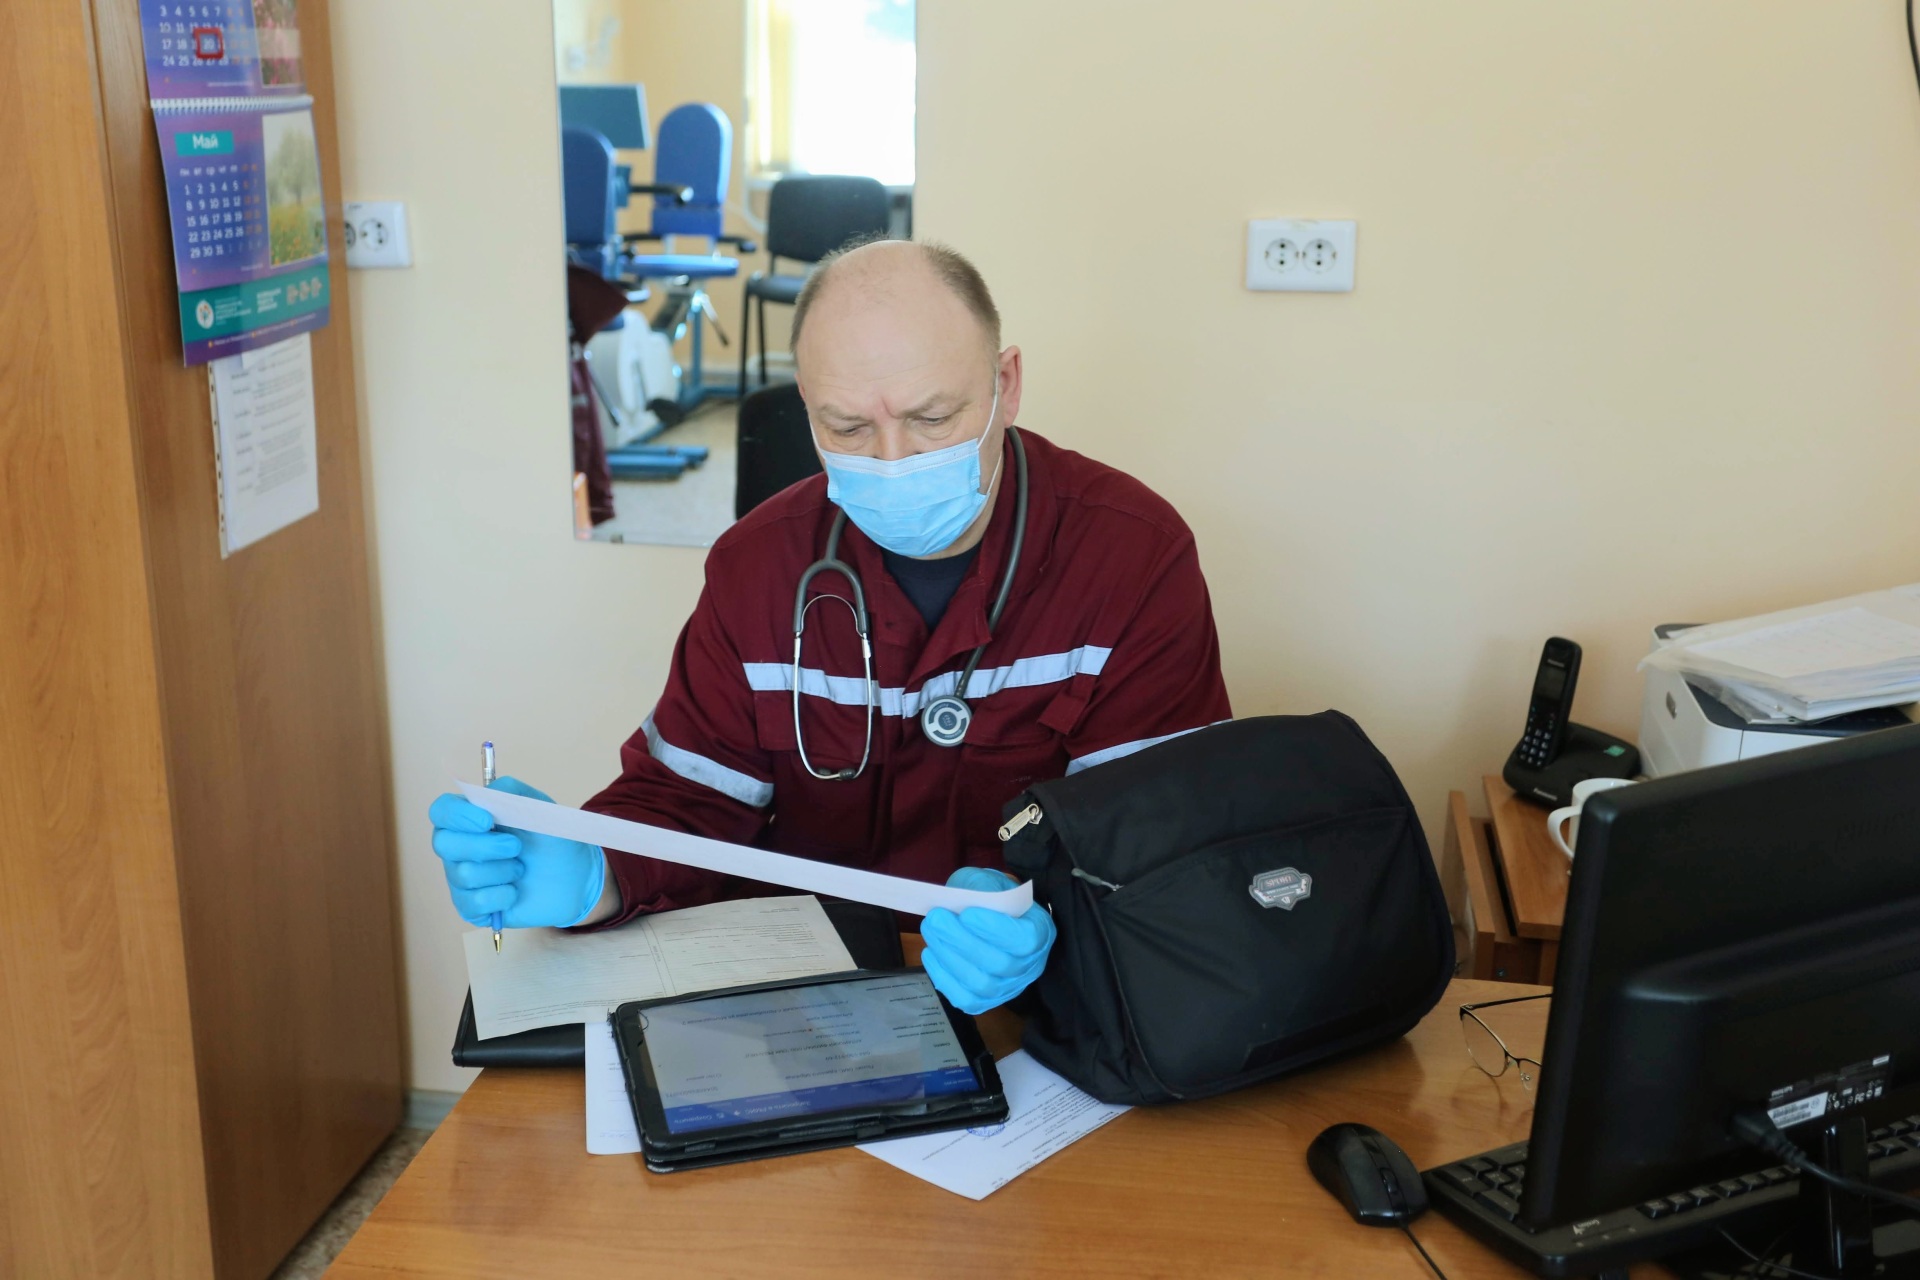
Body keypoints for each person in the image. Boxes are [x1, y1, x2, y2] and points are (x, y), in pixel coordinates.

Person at [430, 240, 1231, 1013]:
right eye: (847, 428)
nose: (892, 458)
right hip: (805, 992)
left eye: (933, 416)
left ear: (1006, 384)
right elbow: (690, 802)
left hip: (1050, 1003)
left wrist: (1046, 916)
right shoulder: (757, 567)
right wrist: (592, 871)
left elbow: (1161, 844)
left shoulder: (1132, 557)